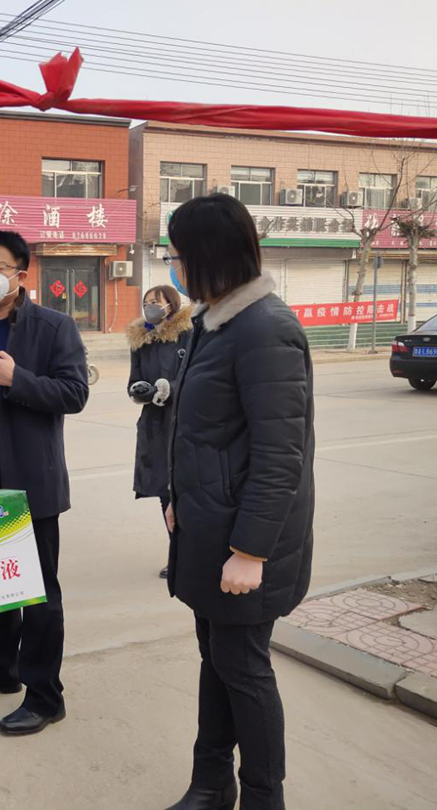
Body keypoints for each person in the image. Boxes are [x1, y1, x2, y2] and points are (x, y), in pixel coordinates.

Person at [162, 194, 314, 810]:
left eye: (177, 255)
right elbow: (201, 432)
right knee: (217, 660)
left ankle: (262, 796)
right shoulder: (213, 321)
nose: (173, 267)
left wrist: (250, 550)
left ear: (208, 256)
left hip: (245, 543)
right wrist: (176, 498)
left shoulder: (264, 329)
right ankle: (210, 783)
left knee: (244, 671)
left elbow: (281, 456)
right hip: (207, 529)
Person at [0, 230, 89, 736]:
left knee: (38, 593)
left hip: (30, 479)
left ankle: (45, 696)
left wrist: (19, 380)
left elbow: (75, 393)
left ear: (21, 275)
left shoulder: (54, 327)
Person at [126, 284, 193, 579]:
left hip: (184, 422)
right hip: (155, 426)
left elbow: (195, 377)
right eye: (146, 302)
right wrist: (139, 390)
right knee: (165, 491)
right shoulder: (141, 339)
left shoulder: (188, 333)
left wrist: (168, 389)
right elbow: (134, 380)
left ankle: (193, 555)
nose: (150, 307)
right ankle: (177, 554)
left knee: (186, 491)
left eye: (156, 301)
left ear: (172, 304)